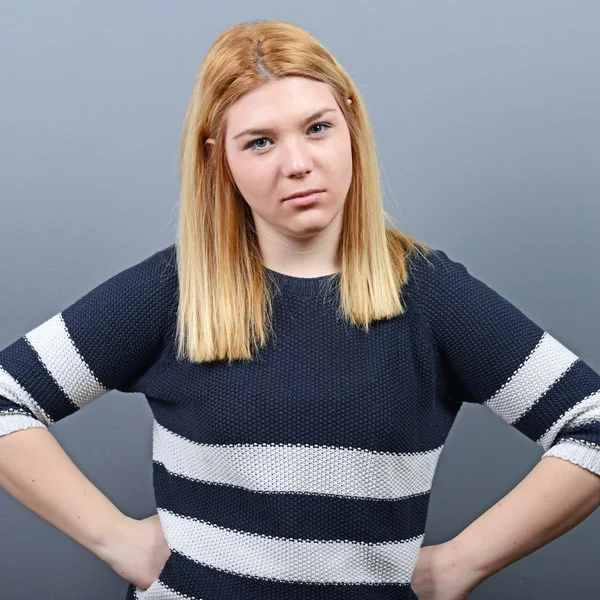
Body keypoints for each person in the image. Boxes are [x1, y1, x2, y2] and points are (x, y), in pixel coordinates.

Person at [0, 18, 599, 600]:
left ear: (350, 121)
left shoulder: (430, 296)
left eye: (316, 128)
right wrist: (115, 541)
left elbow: (591, 427)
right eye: (259, 142)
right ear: (219, 159)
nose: (297, 164)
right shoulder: (173, 292)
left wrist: (459, 564)